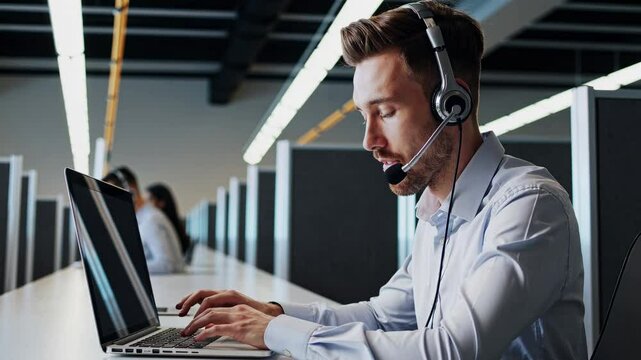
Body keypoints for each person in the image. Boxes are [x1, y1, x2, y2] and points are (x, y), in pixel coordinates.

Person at [175, 2, 587, 359]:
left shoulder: (528, 205)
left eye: (385, 111)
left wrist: (276, 334)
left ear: (452, 104)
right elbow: (383, 316)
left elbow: (453, 351)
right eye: (362, 115)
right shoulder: (436, 212)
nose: (369, 140)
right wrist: (274, 314)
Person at [103, 167, 185, 274]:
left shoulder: (151, 220)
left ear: (131, 190)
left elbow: (167, 265)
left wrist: (122, 266)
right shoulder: (141, 218)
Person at [146, 183, 191, 255]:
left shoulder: (161, 224)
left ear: (162, 202)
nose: (147, 203)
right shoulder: (172, 223)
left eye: (150, 199)